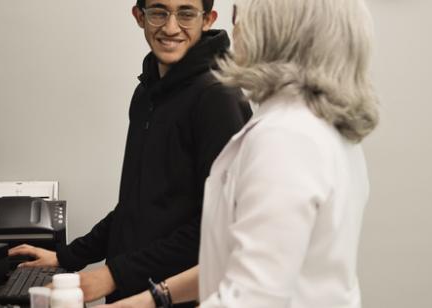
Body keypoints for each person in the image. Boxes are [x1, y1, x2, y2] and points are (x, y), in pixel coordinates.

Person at [101, 0, 380, 306]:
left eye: (240, 17)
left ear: (279, 34)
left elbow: (252, 297)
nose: (232, 30)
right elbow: (241, 260)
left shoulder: (287, 138)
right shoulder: (315, 125)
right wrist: (155, 298)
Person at [8, 0, 251, 304]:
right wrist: (66, 257)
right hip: (133, 292)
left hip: (178, 297)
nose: (171, 27)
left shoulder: (217, 97)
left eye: (186, 13)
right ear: (139, 16)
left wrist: (112, 275)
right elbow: (137, 208)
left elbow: (215, 228)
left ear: (208, 19)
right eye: (159, 12)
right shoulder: (147, 93)